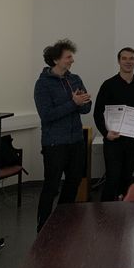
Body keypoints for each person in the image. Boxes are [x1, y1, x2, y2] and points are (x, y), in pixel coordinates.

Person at [33, 38, 91, 232]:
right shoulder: (42, 85)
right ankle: (43, 227)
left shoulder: (75, 79)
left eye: (71, 57)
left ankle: (62, 221)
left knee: (74, 182)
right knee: (51, 185)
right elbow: (47, 115)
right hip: (54, 143)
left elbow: (85, 109)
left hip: (76, 140)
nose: (71, 60)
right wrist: (73, 103)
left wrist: (83, 102)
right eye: (68, 57)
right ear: (56, 60)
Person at [94, 47, 134, 201]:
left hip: (132, 139)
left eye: (131, 58)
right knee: (112, 178)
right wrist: (106, 134)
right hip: (113, 140)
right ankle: (105, 216)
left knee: (127, 178)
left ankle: (123, 215)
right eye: (124, 58)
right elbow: (97, 112)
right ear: (119, 61)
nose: (128, 62)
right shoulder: (108, 84)